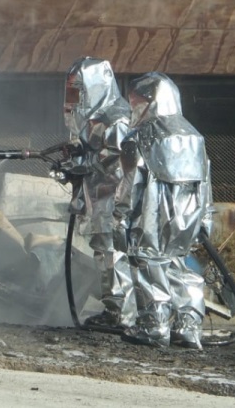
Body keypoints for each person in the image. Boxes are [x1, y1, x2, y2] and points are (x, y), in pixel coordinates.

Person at [115, 72, 214, 349]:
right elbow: (206, 177)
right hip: (189, 214)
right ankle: (189, 327)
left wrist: (120, 219)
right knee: (179, 266)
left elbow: (130, 183)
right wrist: (205, 217)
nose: (133, 108)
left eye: (135, 102)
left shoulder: (140, 137)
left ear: (149, 102)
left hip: (152, 213)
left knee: (149, 265)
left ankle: (155, 327)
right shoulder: (194, 135)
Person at [61, 57, 137, 329]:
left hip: (116, 204)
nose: (72, 99)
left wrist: (86, 166)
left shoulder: (116, 119)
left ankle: (124, 315)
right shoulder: (90, 119)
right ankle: (115, 309)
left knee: (114, 254)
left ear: (94, 87)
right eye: (70, 91)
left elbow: (121, 161)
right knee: (104, 254)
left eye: (77, 91)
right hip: (101, 201)